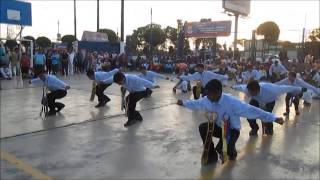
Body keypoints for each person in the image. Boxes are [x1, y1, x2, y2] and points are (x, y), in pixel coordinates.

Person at [177, 80, 284, 163]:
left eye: (210, 94)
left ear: (218, 92)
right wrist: (184, 103)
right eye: (207, 94)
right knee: (203, 127)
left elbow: (253, 111)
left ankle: (232, 151)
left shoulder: (232, 102)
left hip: (232, 130)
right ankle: (211, 155)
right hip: (219, 127)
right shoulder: (207, 99)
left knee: (223, 149)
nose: (207, 97)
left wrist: (274, 118)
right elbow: (196, 103)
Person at [232, 80, 304, 136]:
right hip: (256, 100)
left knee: (267, 115)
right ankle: (254, 128)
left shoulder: (271, 89)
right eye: (249, 92)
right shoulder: (247, 89)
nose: (249, 94)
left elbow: (286, 88)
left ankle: (269, 129)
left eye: (252, 93)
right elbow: (241, 87)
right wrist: (234, 87)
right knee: (250, 114)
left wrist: (300, 89)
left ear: (257, 90)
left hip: (269, 101)